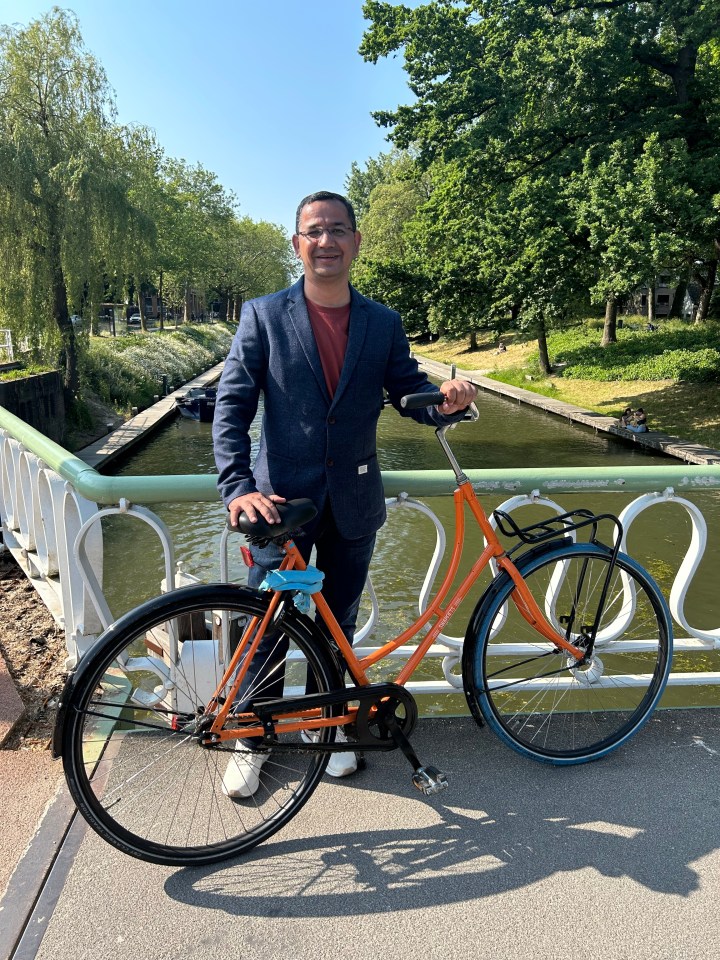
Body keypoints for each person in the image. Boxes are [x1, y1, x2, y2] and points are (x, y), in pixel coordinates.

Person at [212, 190, 477, 797]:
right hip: (279, 506)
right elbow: (232, 408)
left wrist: (446, 403)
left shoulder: (382, 323)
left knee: (339, 623)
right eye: (314, 231)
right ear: (297, 244)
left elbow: (408, 391)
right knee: (268, 624)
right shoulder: (262, 315)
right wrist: (237, 489)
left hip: (354, 500)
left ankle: (324, 727)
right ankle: (253, 736)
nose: (325, 241)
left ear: (356, 242)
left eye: (337, 229)